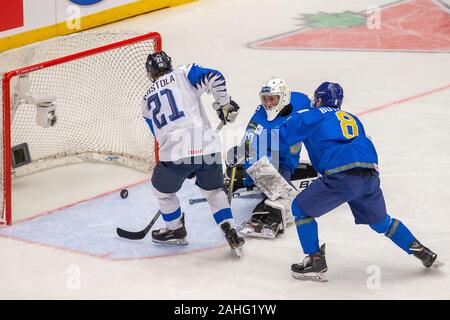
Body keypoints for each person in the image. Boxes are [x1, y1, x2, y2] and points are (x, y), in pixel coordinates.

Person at [280, 81, 439, 281]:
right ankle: (420, 250)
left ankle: (314, 260)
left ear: (318, 99)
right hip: (369, 174)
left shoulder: (311, 115)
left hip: (341, 175)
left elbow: (282, 135)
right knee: (382, 222)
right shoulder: (353, 119)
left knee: (300, 209)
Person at [141, 51, 244, 253]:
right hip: (207, 147)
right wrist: (224, 104)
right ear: (169, 65)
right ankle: (229, 228)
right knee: (214, 191)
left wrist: (185, 161)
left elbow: (158, 134)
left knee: (162, 192)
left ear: (150, 73)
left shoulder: (145, 101)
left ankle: (175, 230)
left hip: (174, 152)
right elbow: (215, 76)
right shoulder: (184, 73)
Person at [226, 77, 317, 238]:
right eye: (264, 99)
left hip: (284, 161)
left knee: (273, 175)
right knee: (253, 167)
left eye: (272, 99)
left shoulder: (301, 101)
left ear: (283, 98)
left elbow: (321, 112)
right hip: (267, 160)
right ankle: (249, 180)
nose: (268, 103)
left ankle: (274, 196)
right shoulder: (260, 116)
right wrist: (239, 153)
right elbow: (249, 141)